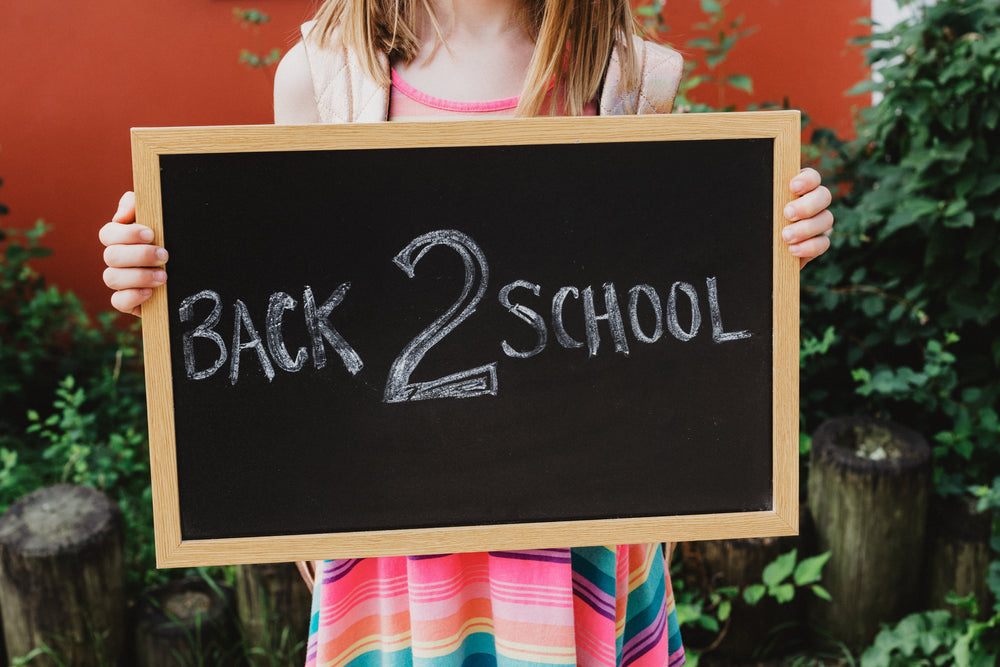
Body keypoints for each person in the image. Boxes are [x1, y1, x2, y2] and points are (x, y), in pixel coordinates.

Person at [100, 0, 834, 664]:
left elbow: (670, 291)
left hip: (581, 532)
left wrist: (773, 237)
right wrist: (157, 279)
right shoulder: (322, 76)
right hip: (392, 545)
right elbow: (282, 300)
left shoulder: (626, 75)